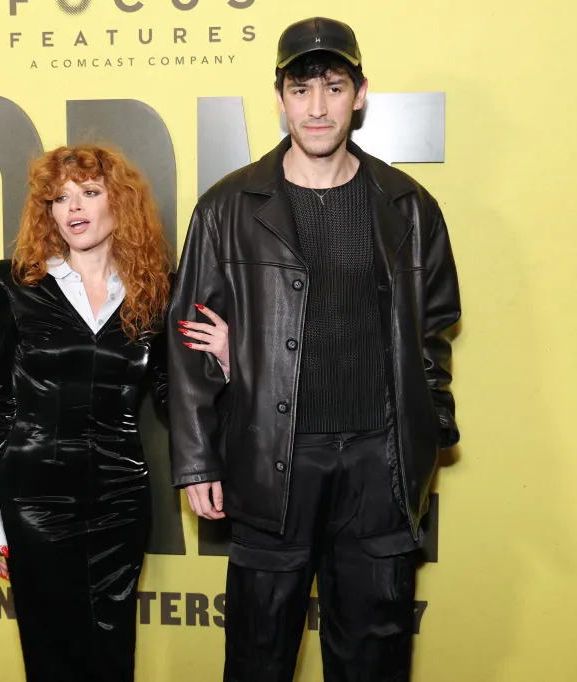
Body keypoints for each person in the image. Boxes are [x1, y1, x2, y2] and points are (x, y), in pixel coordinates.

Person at [167, 17, 461, 682]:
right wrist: (196, 461)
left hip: (377, 465)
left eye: (334, 87)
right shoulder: (227, 207)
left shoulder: (408, 206)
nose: (318, 107)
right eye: (303, 90)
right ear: (280, 98)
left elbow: (433, 329)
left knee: (375, 654)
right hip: (272, 461)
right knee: (258, 652)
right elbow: (187, 346)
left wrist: (424, 434)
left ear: (360, 94)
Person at [0, 144, 229, 682]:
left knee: (112, 648)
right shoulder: (13, 282)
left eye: (89, 192)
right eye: (59, 198)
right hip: (33, 495)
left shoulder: (157, 291)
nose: (74, 209)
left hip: (119, 496)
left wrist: (225, 358)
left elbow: (171, 392)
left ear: (120, 203)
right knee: (49, 651)